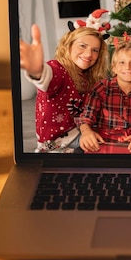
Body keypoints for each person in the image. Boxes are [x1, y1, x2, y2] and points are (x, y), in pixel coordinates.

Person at [20, 10, 110, 153]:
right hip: (56, 143)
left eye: (95, 50)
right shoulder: (58, 69)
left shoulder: (90, 77)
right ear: (69, 45)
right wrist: (36, 71)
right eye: (82, 46)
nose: (88, 54)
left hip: (81, 132)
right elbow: (47, 77)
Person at [78, 37, 131, 153]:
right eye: (122, 62)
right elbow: (87, 115)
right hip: (102, 141)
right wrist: (86, 132)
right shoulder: (101, 87)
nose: (128, 67)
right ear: (114, 68)